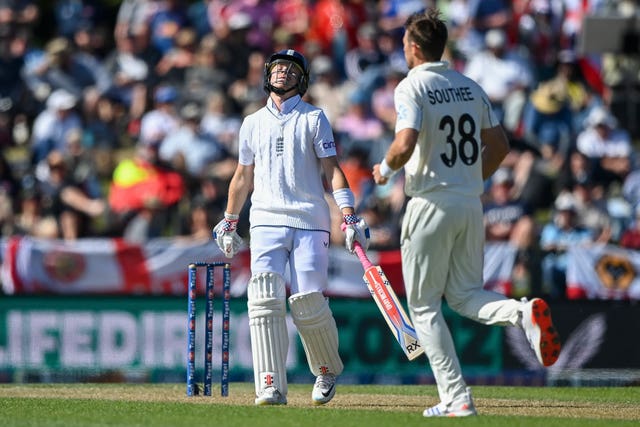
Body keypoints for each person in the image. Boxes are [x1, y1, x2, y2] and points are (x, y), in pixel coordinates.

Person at [371, 10, 561, 417]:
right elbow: (500, 145)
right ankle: (522, 312)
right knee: (465, 294)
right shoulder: (469, 86)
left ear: (416, 49)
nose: (403, 49)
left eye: (405, 43)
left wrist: (384, 171)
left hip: (428, 204)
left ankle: (456, 397)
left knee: (423, 308)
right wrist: (470, 181)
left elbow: (404, 143)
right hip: (469, 202)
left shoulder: (411, 86)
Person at [213, 49, 369, 406]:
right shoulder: (252, 122)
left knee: (308, 302)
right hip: (266, 220)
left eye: (291, 69)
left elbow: (332, 169)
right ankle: (270, 384)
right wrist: (229, 220)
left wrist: (348, 214)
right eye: (278, 67)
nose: (283, 72)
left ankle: (325, 370)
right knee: (264, 297)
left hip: (309, 221)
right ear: (268, 75)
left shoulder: (314, 118)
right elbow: (242, 176)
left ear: (302, 79)